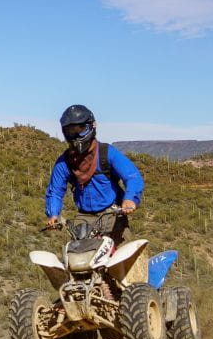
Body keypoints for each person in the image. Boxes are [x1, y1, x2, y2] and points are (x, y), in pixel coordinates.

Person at [45, 104, 144, 246]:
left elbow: (132, 176)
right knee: (77, 261)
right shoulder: (64, 162)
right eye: (71, 131)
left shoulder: (107, 153)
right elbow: (55, 191)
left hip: (113, 213)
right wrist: (53, 214)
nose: (76, 135)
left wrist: (130, 199)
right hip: (84, 217)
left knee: (124, 259)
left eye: (81, 129)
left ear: (92, 126)